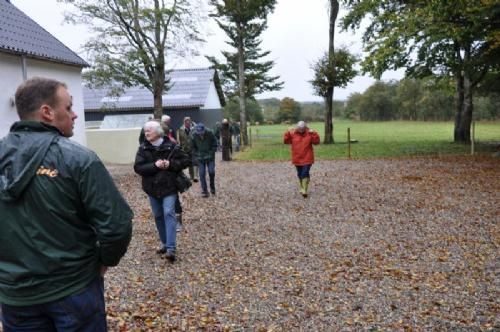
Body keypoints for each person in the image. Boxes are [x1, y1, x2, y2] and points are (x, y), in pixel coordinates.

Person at [0, 77, 133, 331]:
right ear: (47, 112)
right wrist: (104, 261)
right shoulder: (79, 159)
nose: (74, 115)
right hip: (73, 290)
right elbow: (116, 225)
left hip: (16, 298)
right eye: (68, 108)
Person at [134, 120, 191, 262]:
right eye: (145, 131)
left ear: (158, 132)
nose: (146, 133)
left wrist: (170, 164)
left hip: (169, 186)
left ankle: (171, 248)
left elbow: (185, 161)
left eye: (149, 131)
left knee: (168, 213)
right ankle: (165, 243)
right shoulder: (143, 148)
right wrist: (155, 165)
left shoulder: (172, 146)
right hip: (151, 188)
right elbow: (138, 168)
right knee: (158, 215)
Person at [283, 120, 320, 197]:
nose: (301, 130)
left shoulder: (309, 133)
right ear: (297, 127)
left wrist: (314, 133)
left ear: (305, 127)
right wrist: (287, 132)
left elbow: (316, 142)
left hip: (307, 157)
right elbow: (286, 141)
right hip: (297, 158)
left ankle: (304, 190)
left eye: (303, 128)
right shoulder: (293, 133)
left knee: (304, 172)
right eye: (300, 128)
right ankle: (302, 186)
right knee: (300, 174)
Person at [191, 123, 218, 197]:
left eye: (201, 132)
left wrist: (211, 152)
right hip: (200, 157)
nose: (200, 134)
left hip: (210, 156)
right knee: (202, 173)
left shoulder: (210, 133)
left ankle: (212, 187)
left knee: (211, 171)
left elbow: (215, 144)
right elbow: (193, 147)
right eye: (198, 132)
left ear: (204, 130)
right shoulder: (194, 135)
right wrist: (196, 154)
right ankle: (205, 191)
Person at [177, 116, 198, 182]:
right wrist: (179, 148)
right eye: (186, 121)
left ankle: (195, 176)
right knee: (188, 162)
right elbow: (178, 140)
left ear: (190, 121)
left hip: (193, 148)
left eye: (189, 121)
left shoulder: (194, 129)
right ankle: (190, 176)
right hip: (185, 148)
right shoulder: (180, 130)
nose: (187, 122)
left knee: (194, 161)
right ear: (184, 122)